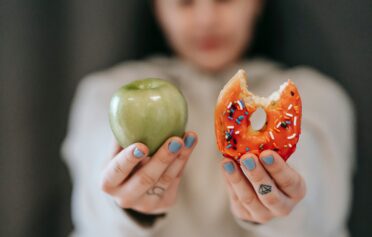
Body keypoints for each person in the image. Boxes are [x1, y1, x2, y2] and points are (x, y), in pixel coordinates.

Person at [60, 0, 356, 236]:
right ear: (157, 8)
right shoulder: (101, 93)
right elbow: (93, 203)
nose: (206, 19)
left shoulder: (318, 95)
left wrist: (283, 205)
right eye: (185, 2)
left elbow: (316, 191)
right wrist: (126, 206)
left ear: (257, 3)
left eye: (225, 0)